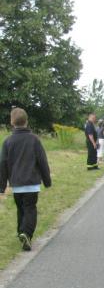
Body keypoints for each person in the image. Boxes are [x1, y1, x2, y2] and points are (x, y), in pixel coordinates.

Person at [0, 107, 52, 251]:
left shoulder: (7, 141)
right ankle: (26, 233)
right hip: (31, 183)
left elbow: (3, 164)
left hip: (16, 184)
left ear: (12, 122)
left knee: (20, 209)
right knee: (30, 209)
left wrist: (2, 186)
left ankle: (21, 233)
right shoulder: (34, 140)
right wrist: (47, 180)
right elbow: (42, 161)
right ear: (26, 121)